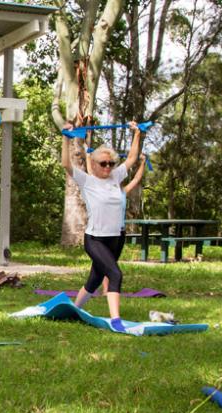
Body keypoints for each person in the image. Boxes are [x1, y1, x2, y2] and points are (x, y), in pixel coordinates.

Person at [58, 122, 145, 332]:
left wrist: (137, 133)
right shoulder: (87, 181)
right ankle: (116, 321)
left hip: (116, 238)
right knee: (115, 275)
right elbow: (66, 165)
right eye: (103, 163)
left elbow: (132, 159)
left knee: (95, 278)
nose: (108, 167)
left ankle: (74, 310)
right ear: (94, 164)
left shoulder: (116, 177)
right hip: (95, 239)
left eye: (111, 163)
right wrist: (66, 137)